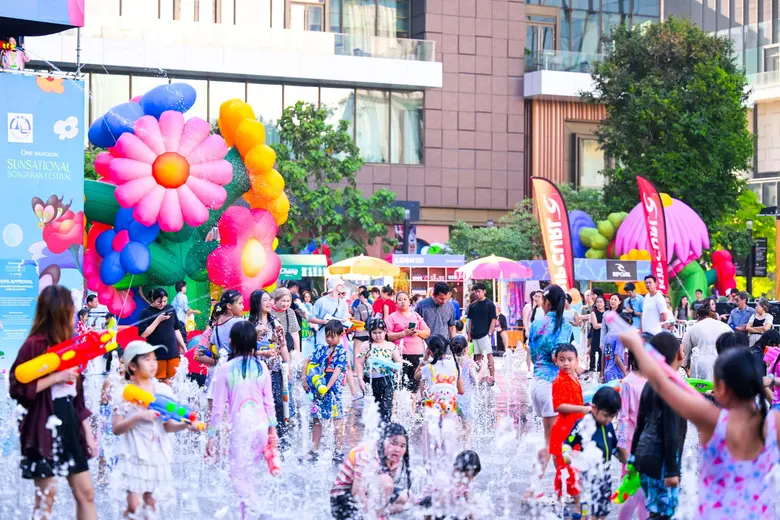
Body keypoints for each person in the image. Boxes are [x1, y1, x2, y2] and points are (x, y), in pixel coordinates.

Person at [622, 330, 780, 519]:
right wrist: (772, 380)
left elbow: (662, 383)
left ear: (720, 388)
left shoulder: (712, 420)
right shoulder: (772, 423)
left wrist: (638, 347)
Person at [9, 285, 97, 520]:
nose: (74, 312)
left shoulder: (72, 346)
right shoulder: (34, 346)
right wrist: (56, 377)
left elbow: (79, 398)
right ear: (59, 311)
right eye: (70, 307)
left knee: (86, 492)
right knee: (47, 495)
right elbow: (16, 388)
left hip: (69, 419)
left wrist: (87, 433)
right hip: (42, 422)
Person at [112, 340, 197, 516]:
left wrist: (185, 425)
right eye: (147, 359)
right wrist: (138, 417)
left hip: (156, 452)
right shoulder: (123, 393)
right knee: (134, 505)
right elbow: (116, 429)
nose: (153, 364)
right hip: (134, 453)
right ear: (133, 366)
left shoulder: (162, 391)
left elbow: (167, 427)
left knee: (151, 502)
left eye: (154, 359)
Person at [207, 321, 278, 515]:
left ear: (231, 342)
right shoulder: (262, 367)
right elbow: (269, 403)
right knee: (248, 474)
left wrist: (211, 436)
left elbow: (218, 408)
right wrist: (273, 432)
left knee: (237, 474)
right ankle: (246, 514)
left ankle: (258, 508)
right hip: (262, 428)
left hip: (241, 430)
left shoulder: (225, 369)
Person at [630, 332, 687, 520]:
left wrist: (633, 456)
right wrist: (672, 470)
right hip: (661, 461)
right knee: (665, 513)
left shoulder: (651, 384)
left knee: (656, 510)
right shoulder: (671, 387)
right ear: (679, 354)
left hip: (645, 457)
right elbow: (671, 431)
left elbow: (640, 423)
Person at [528, 284, 574, 472]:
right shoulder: (565, 326)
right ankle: (535, 489)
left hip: (537, 383)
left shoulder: (536, 324)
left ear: (546, 303)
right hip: (553, 387)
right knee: (553, 441)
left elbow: (532, 355)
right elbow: (561, 358)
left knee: (553, 439)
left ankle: (560, 488)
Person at [562, 387, 626, 520]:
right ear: (594, 408)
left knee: (602, 511)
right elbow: (568, 443)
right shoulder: (583, 424)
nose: (608, 420)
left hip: (605, 477)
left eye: (612, 416)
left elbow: (614, 448)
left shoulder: (608, 426)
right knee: (588, 512)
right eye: (605, 415)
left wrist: (627, 460)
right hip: (588, 478)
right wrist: (567, 454)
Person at [330, 422, 411, 520]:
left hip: (367, 490)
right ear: (383, 440)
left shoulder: (393, 457)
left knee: (407, 499)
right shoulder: (366, 455)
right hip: (342, 499)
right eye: (393, 443)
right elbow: (357, 493)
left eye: (402, 446)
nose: (398, 449)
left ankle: (380, 514)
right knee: (386, 483)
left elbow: (385, 492)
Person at [247, 290, 292, 449]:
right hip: (254, 372)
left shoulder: (276, 323)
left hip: (274, 371)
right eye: (264, 300)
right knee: (257, 405)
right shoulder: (248, 325)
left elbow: (283, 346)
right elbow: (243, 350)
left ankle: (279, 439)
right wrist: (262, 352)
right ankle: (259, 440)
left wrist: (288, 366)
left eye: (269, 299)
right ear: (256, 303)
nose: (269, 302)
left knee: (278, 404)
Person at [303, 319, 348, 463]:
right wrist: (305, 378)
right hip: (318, 391)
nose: (329, 339)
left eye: (332, 336)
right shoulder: (320, 349)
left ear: (341, 335)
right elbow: (307, 362)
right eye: (327, 335)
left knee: (337, 420)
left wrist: (327, 388)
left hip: (333, 391)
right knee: (316, 419)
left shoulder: (341, 352)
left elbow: (337, 371)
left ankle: (338, 450)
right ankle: (314, 449)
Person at [550, 344, 587, 511]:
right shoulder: (559, 381)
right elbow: (558, 406)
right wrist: (582, 409)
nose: (566, 363)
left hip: (574, 430)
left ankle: (569, 497)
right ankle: (563, 501)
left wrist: (586, 407)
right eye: (562, 360)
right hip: (563, 431)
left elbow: (577, 402)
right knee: (565, 468)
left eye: (570, 360)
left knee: (572, 467)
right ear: (556, 361)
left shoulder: (573, 377)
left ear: (577, 361)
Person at [415, 335, 464, 461]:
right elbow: (461, 390)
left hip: (433, 410)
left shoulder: (429, 368)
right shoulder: (455, 366)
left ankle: (431, 471)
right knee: (447, 445)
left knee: (431, 444)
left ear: (429, 351)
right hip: (449, 410)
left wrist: (425, 359)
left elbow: (416, 376)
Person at [195, 290, 245, 400]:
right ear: (228, 306)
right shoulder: (237, 322)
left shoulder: (214, 328)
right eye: (240, 303)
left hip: (217, 372)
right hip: (233, 371)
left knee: (217, 408)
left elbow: (199, 354)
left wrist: (216, 359)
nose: (243, 306)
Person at [616, 354, 649, 520]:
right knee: (633, 490)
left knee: (645, 491)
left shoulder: (654, 380)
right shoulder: (629, 382)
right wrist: (621, 445)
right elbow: (622, 416)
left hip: (649, 442)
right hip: (631, 444)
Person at [385, 291, 430, 407]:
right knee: (398, 383)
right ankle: (396, 409)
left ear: (410, 302)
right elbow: (387, 336)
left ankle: (412, 410)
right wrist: (403, 333)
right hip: (399, 355)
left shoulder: (416, 316)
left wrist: (418, 332)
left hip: (417, 353)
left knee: (414, 385)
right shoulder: (391, 317)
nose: (402, 302)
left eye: (405, 299)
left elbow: (427, 332)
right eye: (399, 299)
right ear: (395, 302)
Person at [355, 318, 403, 424]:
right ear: (370, 333)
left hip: (386, 380)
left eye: (380, 332)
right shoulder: (366, 345)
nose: (377, 335)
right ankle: (373, 433)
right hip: (370, 380)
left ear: (385, 332)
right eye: (374, 333)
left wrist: (394, 367)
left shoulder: (391, 346)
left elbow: (399, 362)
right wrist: (359, 378)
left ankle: (385, 431)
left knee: (386, 408)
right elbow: (359, 363)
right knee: (372, 409)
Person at [137, 287, 187, 383]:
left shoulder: (170, 309)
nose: (162, 304)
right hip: (157, 354)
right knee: (159, 382)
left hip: (172, 351)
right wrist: (158, 320)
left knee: (174, 381)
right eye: (159, 302)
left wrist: (184, 347)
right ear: (153, 299)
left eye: (164, 301)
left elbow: (176, 329)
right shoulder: (146, 313)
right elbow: (143, 334)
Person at [682, 305, 733, 380]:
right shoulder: (726, 327)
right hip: (722, 364)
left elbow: (685, 350)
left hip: (700, 367)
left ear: (698, 316)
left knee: (701, 390)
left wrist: (684, 365)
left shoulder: (693, 328)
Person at [467, 282, 497, 384]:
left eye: (479, 291)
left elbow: (493, 319)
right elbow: (470, 320)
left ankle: (492, 377)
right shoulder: (472, 306)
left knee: (489, 356)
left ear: (484, 291)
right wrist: (469, 333)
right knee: (477, 357)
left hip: (485, 334)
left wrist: (489, 333)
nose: (477, 294)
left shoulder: (490, 304)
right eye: (476, 292)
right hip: (475, 334)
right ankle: (478, 377)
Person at [451, 335, 479, 443]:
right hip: (467, 400)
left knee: (462, 426)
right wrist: (484, 368)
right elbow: (476, 380)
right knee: (468, 430)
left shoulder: (452, 362)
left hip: (455, 400)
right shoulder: (469, 362)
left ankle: (461, 450)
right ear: (466, 349)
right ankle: (449, 438)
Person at [310, 278, 350, 347]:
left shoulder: (343, 303)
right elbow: (310, 318)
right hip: (323, 338)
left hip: (338, 340)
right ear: (334, 286)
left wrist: (345, 320)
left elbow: (346, 316)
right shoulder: (321, 301)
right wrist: (324, 322)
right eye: (340, 284)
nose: (343, 286)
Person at [271, 287, 302, 355]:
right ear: (276, 300)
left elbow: (295, 335)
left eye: (288, 301)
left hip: (287, 350)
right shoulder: (269, 311)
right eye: (283, 301)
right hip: (272, 349)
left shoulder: (290, 312)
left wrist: (297, 353)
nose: (286, 304)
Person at [601, 312, 629, 383]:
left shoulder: (608, 334)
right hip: (617, 373)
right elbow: (617, 358)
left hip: (608, 372)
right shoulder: (620, 336)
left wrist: (602, 373)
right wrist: (625, 373)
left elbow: (603, 356)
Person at [352, 290, 373, 362]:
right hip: (368, 333)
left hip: (360, 333)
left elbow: (356, 321)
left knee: (356, 351)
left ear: (362, 296)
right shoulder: (370, 306)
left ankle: (356, 370)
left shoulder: (359, 307)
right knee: (366, 351)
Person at [588, 296, 606, 374]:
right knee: (595, 354)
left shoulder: (607, 313)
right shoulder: (593, 313)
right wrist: (606, 324)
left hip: (605, 336)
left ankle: (601, 371)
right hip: (596, 336)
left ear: (604, 303)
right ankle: (593, 372)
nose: (599, 303)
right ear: (595, 304)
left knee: (603, 354)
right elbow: (595, 326)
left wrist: (601, 325)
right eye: (597, 302)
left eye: (601, 302)